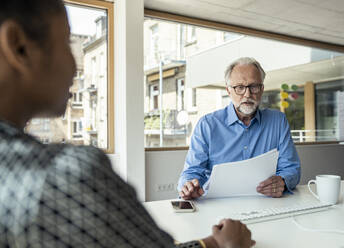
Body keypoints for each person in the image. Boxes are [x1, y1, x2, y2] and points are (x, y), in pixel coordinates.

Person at [0, 1, 255, 247]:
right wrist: (221, 245)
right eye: (66, 43)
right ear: (18, 46)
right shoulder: (62, 176)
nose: (74, 66)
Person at [178, 57, 301, 200]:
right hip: (218, 205)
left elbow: (291, 168)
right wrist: (188, 186)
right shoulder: (207, 125)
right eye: (240, 88)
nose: (247, 94)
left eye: (253, 86)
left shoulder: (278, 121)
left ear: (261, 89)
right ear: (228, 91)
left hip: (266, 204)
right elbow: (192, 171)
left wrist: (283, 182)